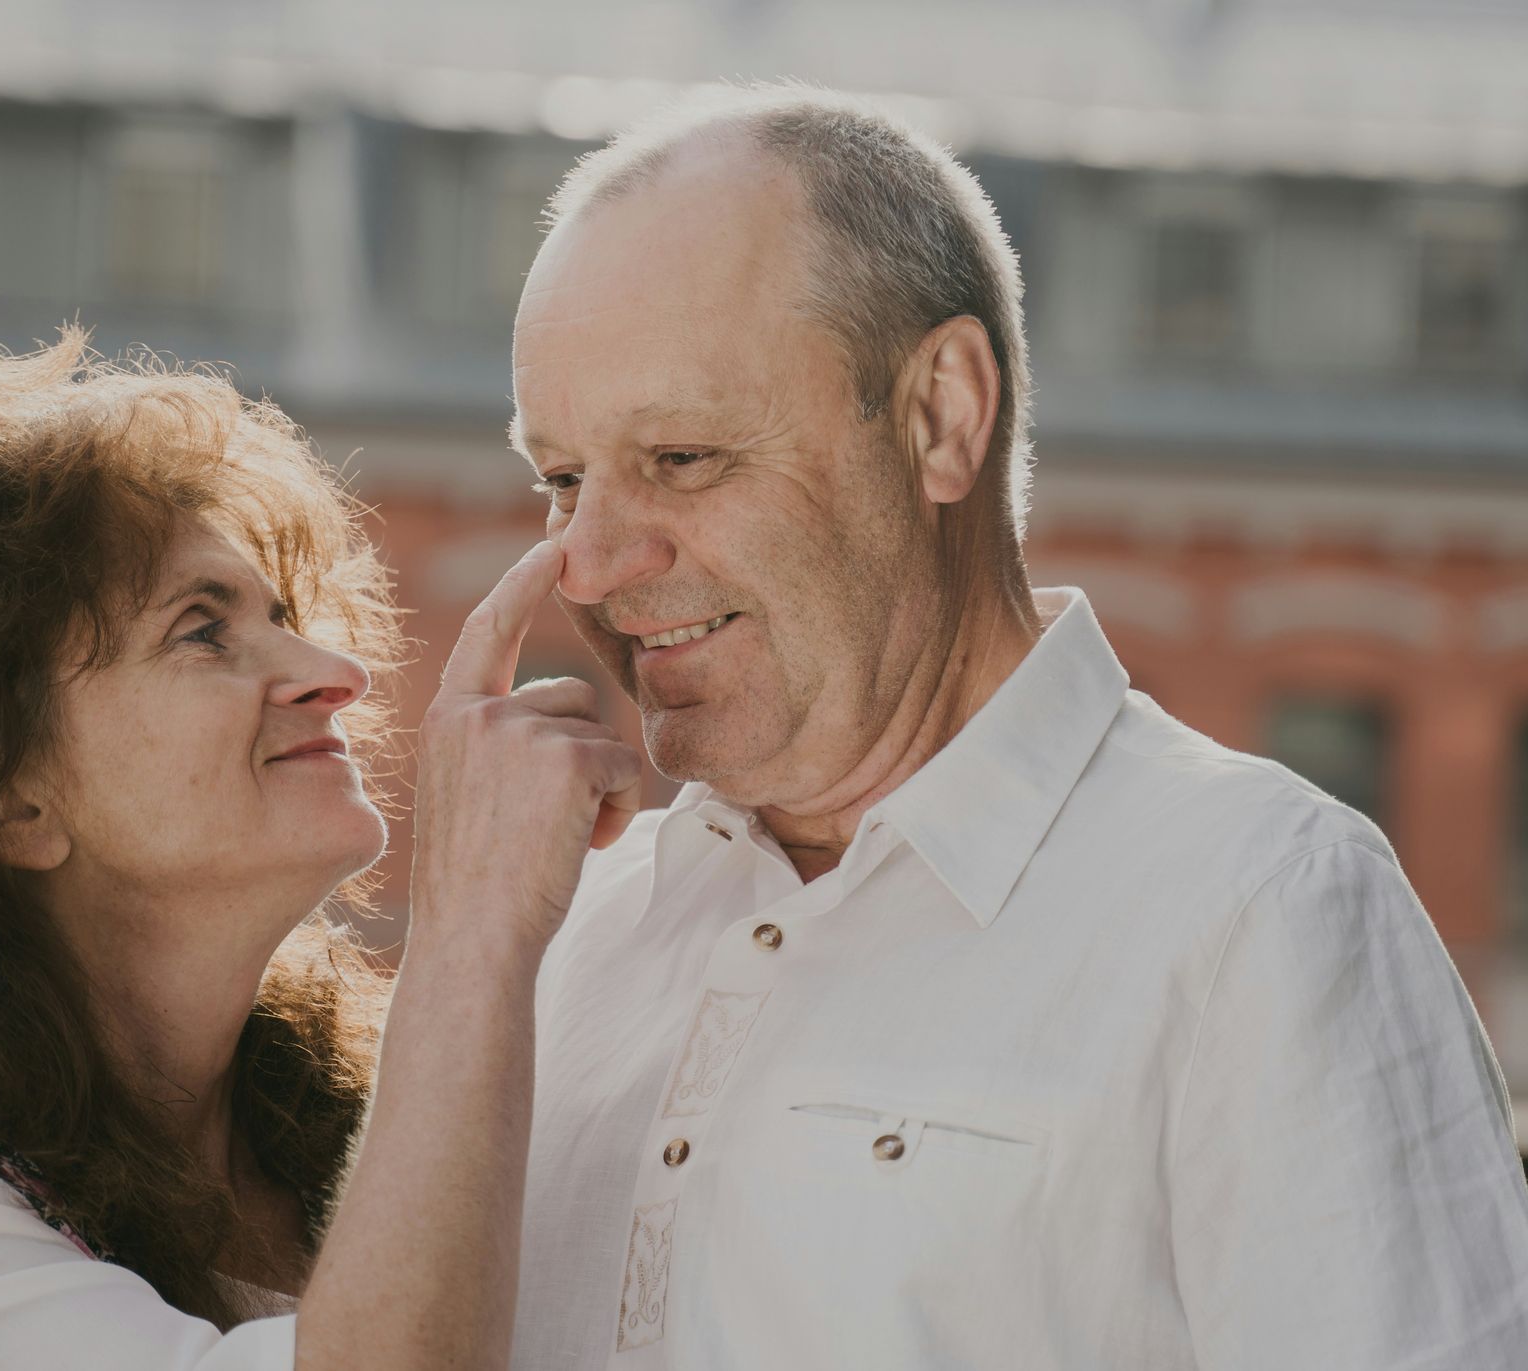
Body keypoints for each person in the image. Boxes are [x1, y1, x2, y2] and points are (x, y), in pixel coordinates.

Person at [505, 84, 1528, 1369]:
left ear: (941, 416)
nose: (588, 566)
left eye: (685, 458)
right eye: (558, 479)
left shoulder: (1260, 917)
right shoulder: (563, 939)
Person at [0, 331, 640, 1369]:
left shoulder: (372, 1133)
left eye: (280, 617)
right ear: (9, 802)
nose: (335, 671)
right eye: (202, 632)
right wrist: (471, 922)